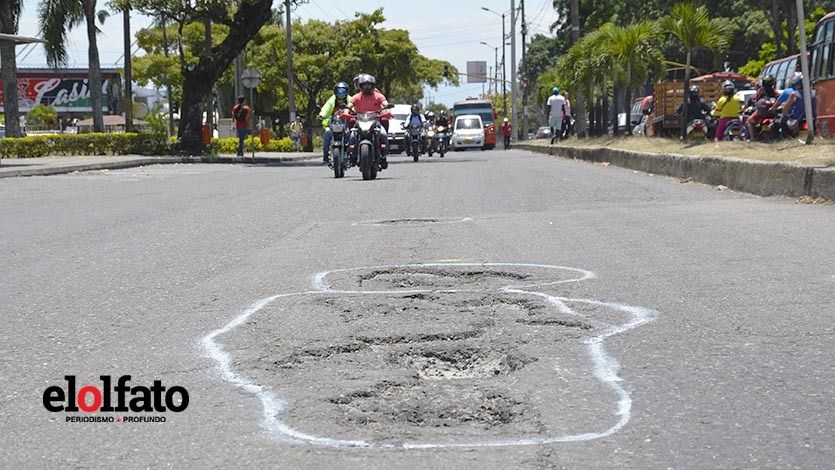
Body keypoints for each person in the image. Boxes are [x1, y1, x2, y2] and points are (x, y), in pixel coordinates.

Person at [343, 73, 391, 167]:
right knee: (352, 136)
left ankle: (384, 156)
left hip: (374, 121)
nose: (367, 87)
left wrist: (388, 109)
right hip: (360, 121)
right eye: (364, 85)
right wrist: (346, 112)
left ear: (372, 85)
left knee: (383, 134)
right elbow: (349, 105)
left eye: (369, 84)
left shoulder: (378, 96)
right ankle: (352, 156)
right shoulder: (356, 97)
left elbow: (385, 103)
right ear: (361, 86)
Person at [318, 81, 350, 164]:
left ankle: (352, 154)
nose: (341, 94)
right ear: (335, 91)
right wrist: (322, 115)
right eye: (339, 91)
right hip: (333, 124)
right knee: (327, 133)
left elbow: (356, 107)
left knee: (351, 134)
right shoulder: (332, 100)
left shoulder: (350, 99)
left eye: (343, 91)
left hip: (346, 124)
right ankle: (325, 155)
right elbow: (326, 108)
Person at [746, 75, 779, 141]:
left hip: (762, 112)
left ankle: (753, 138)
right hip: (772, 112)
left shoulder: (760, 91)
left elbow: (757, 101)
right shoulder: (774, 92)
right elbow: (779, 100)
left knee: (749, 120)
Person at [774, 72, 807, 137]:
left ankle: (784, 136)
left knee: (782, 119)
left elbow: (784, 108)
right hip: (810, 117)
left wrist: (783, 111)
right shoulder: (812, 92)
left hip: (795, 118)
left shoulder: (793, 94)